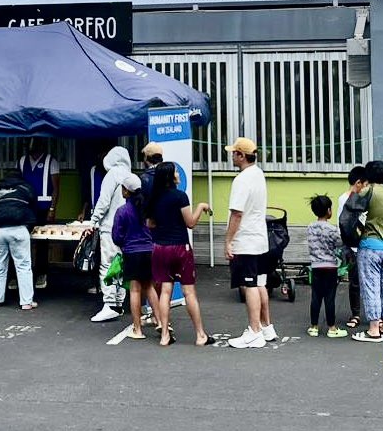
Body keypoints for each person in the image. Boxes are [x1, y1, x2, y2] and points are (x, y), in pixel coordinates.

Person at [144, 162, 213, 347]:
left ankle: (165, 335)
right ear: (170, 176)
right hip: (180, 248)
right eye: (175, 171)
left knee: (165, 291)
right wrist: (201, 207)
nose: (178, 174)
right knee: (188, 291)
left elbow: (150, 224)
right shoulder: (180, 196)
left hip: (160, 248)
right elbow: (190, 222)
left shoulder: (153, 198)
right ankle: (200, 335)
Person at [224, 137, 275, 349]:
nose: (232, 156)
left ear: (241, 155)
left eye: (234, 153)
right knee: (260, 282)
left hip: (246, 240)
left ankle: (254, 331)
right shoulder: (258, 174)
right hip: (260, 239)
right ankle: (266, 326)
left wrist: (228, 241)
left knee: (250, 285)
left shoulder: (242, 180)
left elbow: (237, 213)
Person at [349, 161, 383, 343]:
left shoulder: (368, 191)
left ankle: (373, 330)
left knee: (371, 288)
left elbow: (350, 211)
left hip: (371, 246)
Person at [87, 146, 132, 322]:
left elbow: (104, 201)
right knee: (121, 265)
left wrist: (93, 221)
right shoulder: (129, 175)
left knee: (107, 265)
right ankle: (119, 303)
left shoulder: (112, 174)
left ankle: (109, 304)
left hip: (110, 226)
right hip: (127, 228)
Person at [0, 171, 38, 310]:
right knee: (23, 266)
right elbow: (34, 207)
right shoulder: (26, 188)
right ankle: (26, 302)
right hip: (18, 229)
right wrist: (30, 224)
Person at [111, 175, 154, 339]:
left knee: (135, 290)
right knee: (149, 287)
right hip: (149, 251)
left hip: (131, 252)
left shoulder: (122, 211)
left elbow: (117, 237)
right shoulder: (146, 209)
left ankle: (137, 329)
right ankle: (160, 322)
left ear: (126, 191)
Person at [17, 138, 60, 289]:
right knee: (23, 240)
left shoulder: (51, 161)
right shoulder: (22, 161)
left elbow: (56, 188)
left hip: (44, 208)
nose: (31, 146)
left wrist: (52, 209)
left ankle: (41, 273)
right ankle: (23, 274)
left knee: (42, 241)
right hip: (26, 207)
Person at [306, 195, 347, 338]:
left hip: (316, 267)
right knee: (329, 297)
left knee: (316, 297)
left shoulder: (310, 227)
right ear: (329, 210)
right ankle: (332, 328)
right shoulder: (331, 229)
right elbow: (339, 243)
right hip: (330, 267)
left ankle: (314, 327)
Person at [336, 165, 367, 328]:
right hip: (353, 245)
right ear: (358, 183)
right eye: (365, 184)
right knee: (355, 281)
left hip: (364, 243)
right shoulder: (345, 199)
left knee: (363, 281)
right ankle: (356, 313)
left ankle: (368, 313)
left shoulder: (363, 198)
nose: (366, 187)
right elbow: (341, 224)